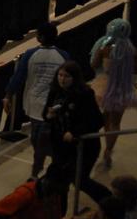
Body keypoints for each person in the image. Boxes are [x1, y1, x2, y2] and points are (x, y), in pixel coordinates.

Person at [3, 23, 70, 178]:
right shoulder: (64, 55)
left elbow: (18, 77)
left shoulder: (30, 54)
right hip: (54, 106)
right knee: (46, 140)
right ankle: (48, 168)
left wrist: (8, 95)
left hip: (36, 105)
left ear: (40, 37)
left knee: (39, 143)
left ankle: (37, 173)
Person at [44, 61, 110, 206]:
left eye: (66, 76)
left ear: (74, 78)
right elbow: (46, 113)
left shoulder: (85, 94)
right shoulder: (55, 91)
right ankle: (60, 212)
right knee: (59, 182)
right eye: (60, 75)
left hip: (84, 147)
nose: (62, 79)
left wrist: (75, 132)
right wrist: (49, 116)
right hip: (61, 146)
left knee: (79, 179)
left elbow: (97, 121)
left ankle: (108, 200)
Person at [91, 19, 137, 169]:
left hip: (104, 86)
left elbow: (94, 64)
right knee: (116, 122)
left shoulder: (104, 47)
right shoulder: (132, 50)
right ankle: (109, 149)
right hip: (123, 87)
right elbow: (136, 70)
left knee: (106, 119)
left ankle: (105, 145)